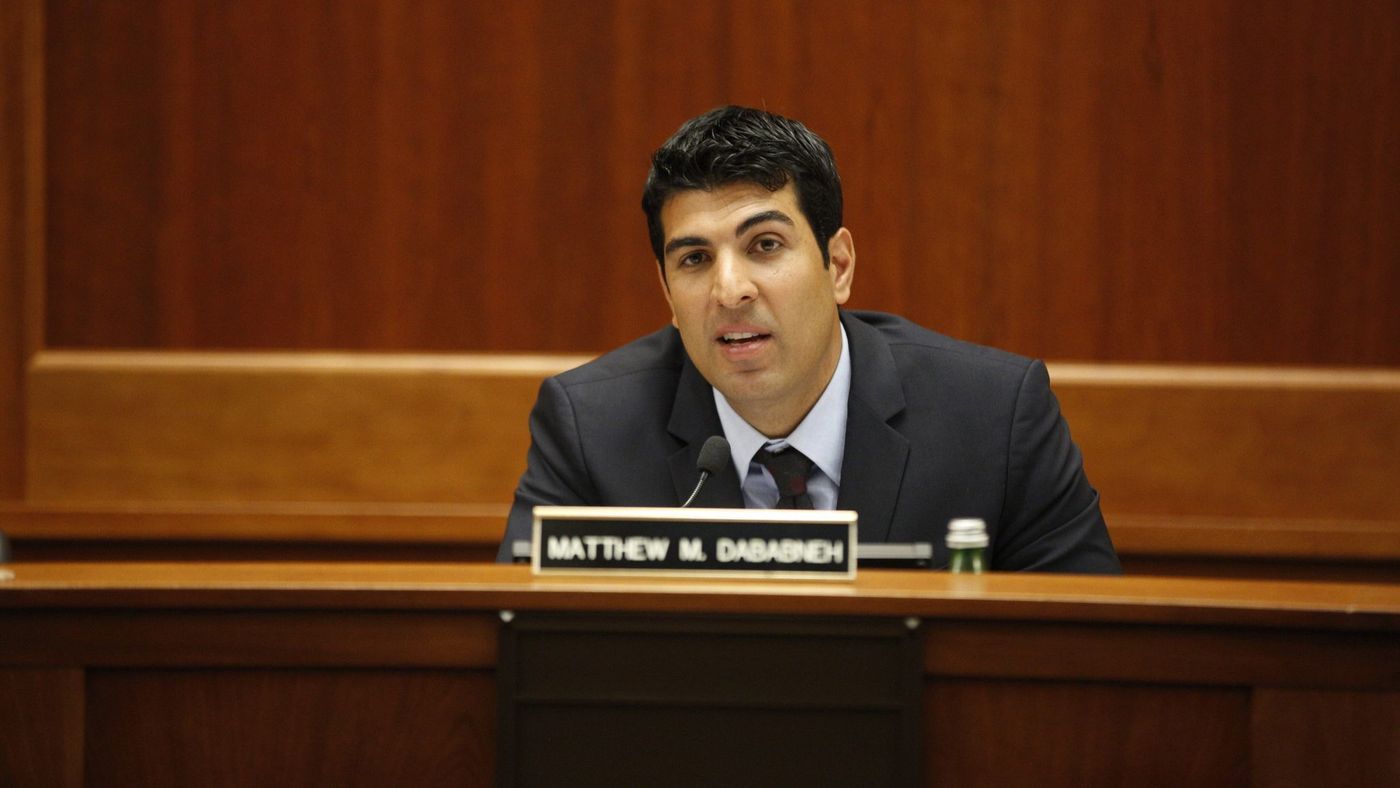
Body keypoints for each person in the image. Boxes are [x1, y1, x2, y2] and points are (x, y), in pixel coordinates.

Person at [496, 106, 1120, 572]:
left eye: (764, 246)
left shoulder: (995, 416)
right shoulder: (591, 428)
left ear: (838, 265)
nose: (729, 289)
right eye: (693, 259)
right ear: (666, 292)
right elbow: (530, 657)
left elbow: (1086, 651)